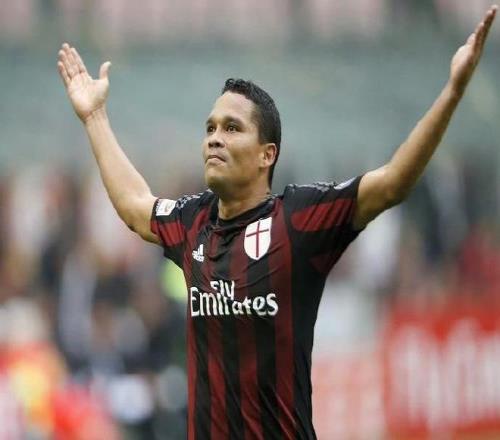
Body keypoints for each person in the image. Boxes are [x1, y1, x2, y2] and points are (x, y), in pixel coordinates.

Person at [57, 6, 497, 439]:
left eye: (232, 128)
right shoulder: (194, 221)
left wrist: (453, 91)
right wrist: (94, 117)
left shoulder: (298, 220)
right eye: (210, 128)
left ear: (267, 154)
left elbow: (393, 182)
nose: (214, 138)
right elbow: (136, 205)